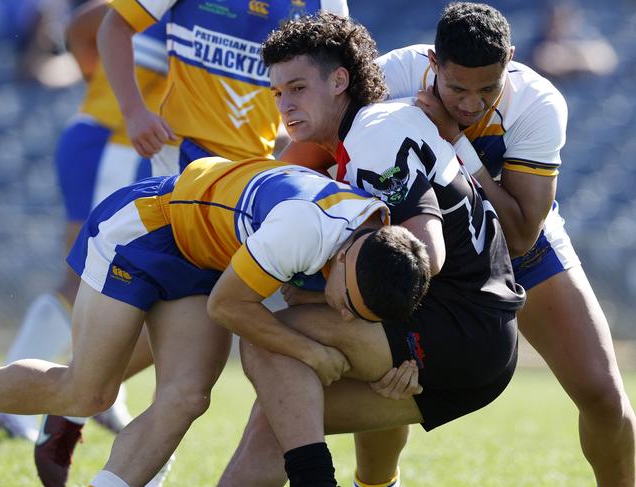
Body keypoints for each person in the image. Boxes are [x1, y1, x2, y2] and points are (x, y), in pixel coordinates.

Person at [216, 12, 525, 487]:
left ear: (340, 79)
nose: (285, 106)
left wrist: (374, 312)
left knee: (265, 340)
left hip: (460, 328)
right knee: (281, 418)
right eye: (278, 93)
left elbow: (427, 251)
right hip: (478, 342)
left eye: (298, 88)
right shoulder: (365, 136)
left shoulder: (374, 134)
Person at [0, 155, 428, 487]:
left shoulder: (374, 238)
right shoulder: (308, 228)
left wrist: (400, 368)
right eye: (348, 301)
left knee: (187, 397)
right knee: (87, 393)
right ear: (349, 254)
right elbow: (228, 307)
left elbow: (300, 294)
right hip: (145, 230)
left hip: (204, 260)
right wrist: (311, 351)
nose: (345, 313)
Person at [362, 2, 635, 486]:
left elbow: (520, 233)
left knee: (604, 394)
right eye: (456, 88)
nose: (470, 104)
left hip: (518, 247)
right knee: (389, 388)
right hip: (426, 251)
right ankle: (376, 484)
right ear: (432, 62)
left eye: (487, 88)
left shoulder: (536, 102)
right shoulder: (390, 78)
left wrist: (455, 143)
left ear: (510, 58)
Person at [0, 0, 164, 448]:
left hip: (127, 146)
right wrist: (99, 82)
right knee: (86, 280)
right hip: (116, 142)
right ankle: (7, 401)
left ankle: (103, 390)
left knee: (126, 281)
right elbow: (90, 24)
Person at [97, 0, 349, 175]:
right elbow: (114, 26)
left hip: (258, 165)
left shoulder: (327, 2)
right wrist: (133, 112)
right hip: (181, 155)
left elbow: (340, 75)